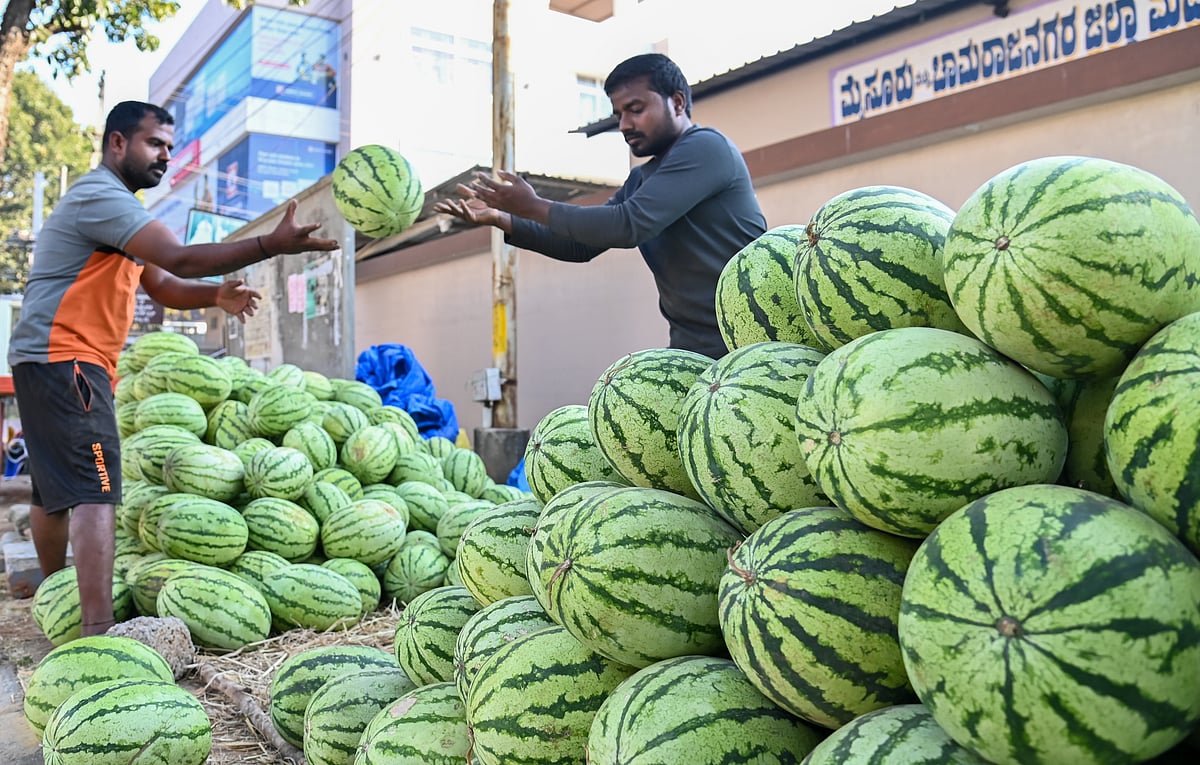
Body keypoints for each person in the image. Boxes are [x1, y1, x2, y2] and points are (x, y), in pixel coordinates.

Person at [7, 101, 339, 636]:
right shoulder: (102, 197)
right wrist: (268, 245)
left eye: (168, 145)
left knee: (53, 490)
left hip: (45, 357)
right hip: (67, 356)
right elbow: (179, 258)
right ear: (118, 143)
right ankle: (96, 633)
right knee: (95, 488)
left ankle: (57, 598)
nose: (166, 155)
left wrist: (216, 295)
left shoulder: (117, 215)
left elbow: (163, 283)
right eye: (154, 143)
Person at [434, 52, 766, 359]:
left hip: (752, 342)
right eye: (618, 114)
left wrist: (533, 205)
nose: (624, 125)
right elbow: (581, 245)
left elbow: (628, 225)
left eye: (635, 109)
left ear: (677, 103)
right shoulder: (642, 179)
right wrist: (503, 217)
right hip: (693, 351)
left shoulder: (707, 148)